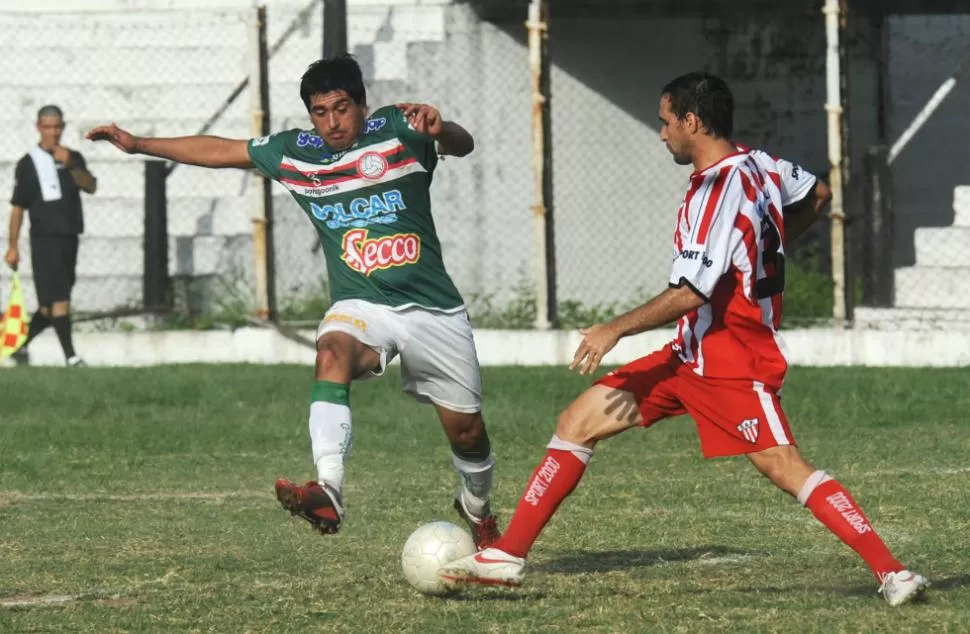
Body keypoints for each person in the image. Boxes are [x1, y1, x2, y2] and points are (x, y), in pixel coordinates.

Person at [438, 72, 928, 607]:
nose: (662, 133)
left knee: (784, 466)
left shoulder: (716, 191)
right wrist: (767, 247)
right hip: (688, 354)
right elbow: (819, 193)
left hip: (732, 359)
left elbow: (691, 292)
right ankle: (507, 556)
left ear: (692, 121)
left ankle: (893, 571)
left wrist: (613, 329)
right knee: (577, 422)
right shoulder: (759, 163)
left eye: (666, 122)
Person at [85, 54, 501, 548]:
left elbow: (462, 144)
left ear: (362, 103)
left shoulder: (400, 129)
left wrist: (442, 126)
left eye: (341, 108)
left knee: (468, 435)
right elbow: (221, 150)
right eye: (320, 112)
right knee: (330, 352)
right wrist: (138, 145)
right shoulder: (299, 153)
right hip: (363, 304)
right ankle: (329, 487)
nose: (332, 122)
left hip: (433, 309)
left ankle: (477, 507)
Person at [5, 105, 97, 367]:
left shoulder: (73, 157)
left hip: (70, 236)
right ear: (38, 128)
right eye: (47, 127)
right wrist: (13, 246)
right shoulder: (28, 163)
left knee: (49, 305)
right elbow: (18, 208)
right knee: (60, 301)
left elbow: (90, 186)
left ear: (63, 128)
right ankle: (71, 357)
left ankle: (19, 349)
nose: (53, 133)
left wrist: (71, 166)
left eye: (57, 127)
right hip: (45, 239)